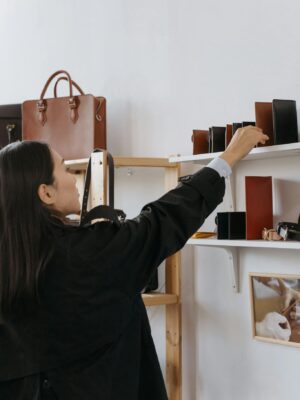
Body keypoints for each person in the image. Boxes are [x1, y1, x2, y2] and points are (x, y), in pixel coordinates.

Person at [0, 126, 268, 399]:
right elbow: (161, 221)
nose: (74, 178)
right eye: (65, 169)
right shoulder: (87, 252)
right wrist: (229, 157)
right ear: (46, 193)